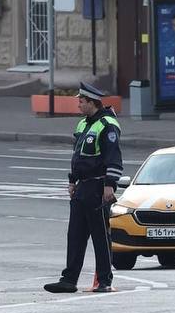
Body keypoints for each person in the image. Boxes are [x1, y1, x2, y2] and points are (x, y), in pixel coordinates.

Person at [45, 82, 123, 294]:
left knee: (100, 237)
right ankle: (69, 280)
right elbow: (77, 157)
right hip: (82, 187)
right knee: (75, 236)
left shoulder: (107, 125)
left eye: (81, 101)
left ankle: (105, 281)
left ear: (91, 102)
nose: (78, 104)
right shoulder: (83, 125)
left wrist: (109, 185)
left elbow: (113, 158)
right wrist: (72, 181)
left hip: (98, 186)